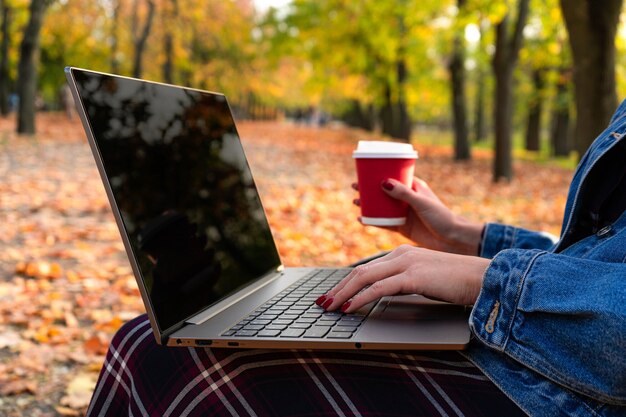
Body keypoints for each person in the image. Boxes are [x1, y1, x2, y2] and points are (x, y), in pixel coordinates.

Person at [85, 100, 626, 417]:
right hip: (540, 349)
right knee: (155, 337)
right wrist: (466, 239)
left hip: (561, 389)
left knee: (176, 364)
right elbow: (598, 261)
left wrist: (494, 279)